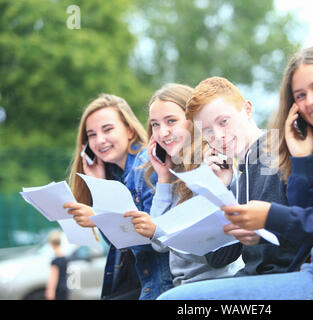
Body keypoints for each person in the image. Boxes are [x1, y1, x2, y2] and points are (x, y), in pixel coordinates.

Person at [157, 45, 313, 300]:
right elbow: (310, 218)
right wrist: (301, 161)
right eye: (300, 95)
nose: (310, 101)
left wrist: (269, 217)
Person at [179, 76, 313, 278]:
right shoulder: (240, 175)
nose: (218, 136)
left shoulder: (278, 154)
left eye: (223, 122)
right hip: (252, 277)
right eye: (207, 131)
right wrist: (218, 188)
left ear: (247, 109)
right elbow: (218, 258)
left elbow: (299, 232)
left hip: (283, 277)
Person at [124, 83, 243, 287]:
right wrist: (162, 177)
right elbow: (159, 244)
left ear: (194, 122)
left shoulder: (214, 166)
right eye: (155, 124)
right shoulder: (176, 174)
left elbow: (209, 249)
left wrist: (157, 230)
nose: (162, 133)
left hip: (218, 283)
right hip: (186, 284)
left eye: (171, 121)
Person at [64, 93, 172, 299]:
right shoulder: (114, 174)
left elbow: (153, 239)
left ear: (130, 131)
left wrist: (98, 216)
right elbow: (119, 242)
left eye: (107, 129)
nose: (99, 140)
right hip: (137, 280)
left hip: (160, 281)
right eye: (92, 135)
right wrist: (100, 185)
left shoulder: (146, 166)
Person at [46, 230, 68, 300]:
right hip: (64, 287)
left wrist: (50, 291)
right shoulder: (64, 258)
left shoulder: (55, 261)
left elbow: (53, 278)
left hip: (57, 289)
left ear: (51, 243)